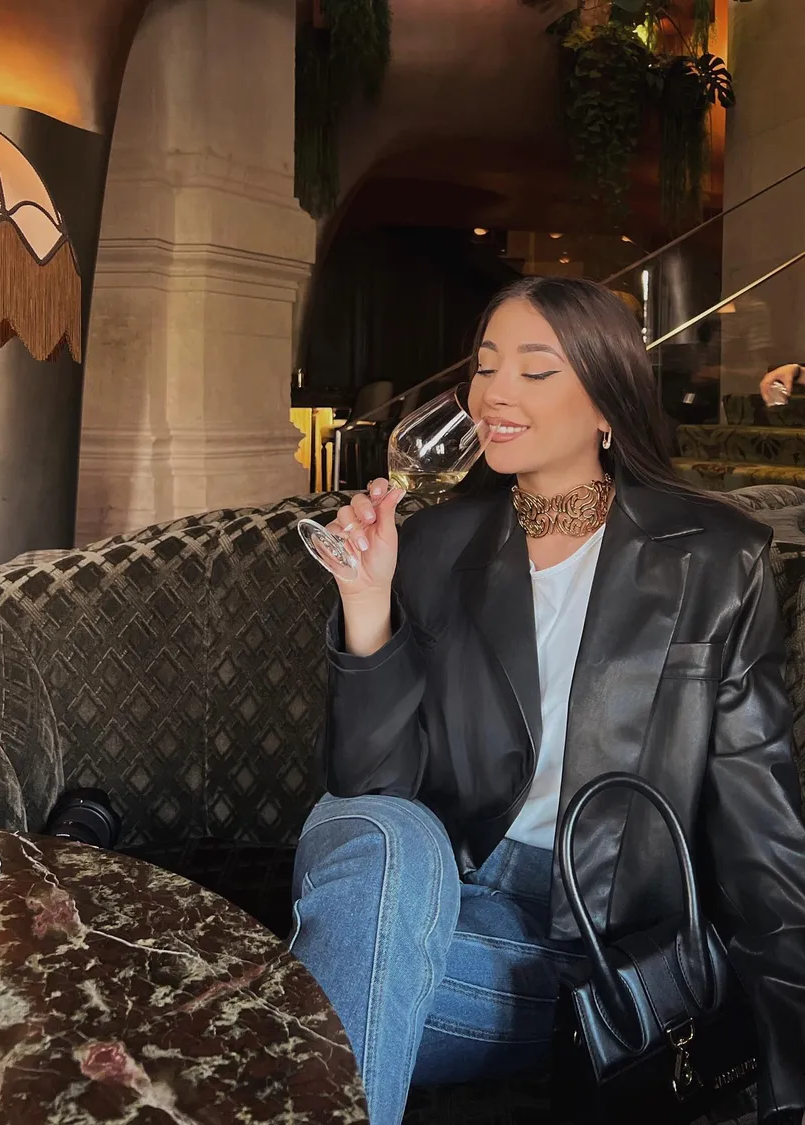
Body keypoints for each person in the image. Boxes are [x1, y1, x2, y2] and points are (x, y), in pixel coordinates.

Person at [289, 276, 805, 1125]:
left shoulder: (713, 561)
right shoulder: (434, 545)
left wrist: (789, 1076)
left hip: (579, 940)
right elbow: (369, 784)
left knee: (311, 988)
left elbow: (763, 831)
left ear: (607, 401)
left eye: (534, 370)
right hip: (425, 878)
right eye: (485, 365)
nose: (494, 392)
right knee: (381, 837)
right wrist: (367, 602)